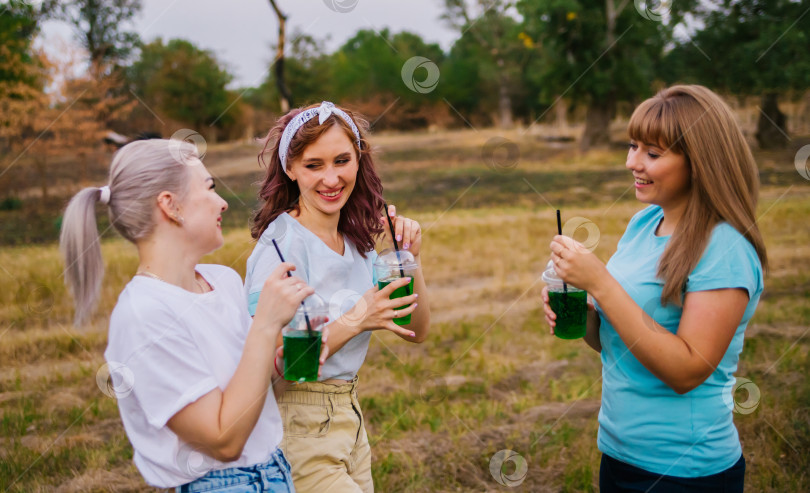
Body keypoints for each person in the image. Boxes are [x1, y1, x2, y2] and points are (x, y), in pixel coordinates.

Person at [60, 139, 328, 492]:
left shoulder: (222, 281)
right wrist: (265, 325)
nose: (223, 202)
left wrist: (284, 364)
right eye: (209, 188)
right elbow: (224, 441)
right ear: (170, 206)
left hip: (275, 472)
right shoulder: (144, 314)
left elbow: (247, 407)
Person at [542, 85, 766, 492]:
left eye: (653, 153)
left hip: (684, 470)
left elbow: (686, 370)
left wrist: (602, 285)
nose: (632, 163)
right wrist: (587, 314)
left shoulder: (725, 247)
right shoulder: (644, 224)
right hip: (619, 454)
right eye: (632, 146)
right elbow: (619, 339)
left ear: (700, 161)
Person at [246, 101, 431, 492]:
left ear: (359, 161)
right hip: (297, 423)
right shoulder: (281, 246)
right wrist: (357, 317)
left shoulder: (357, 240)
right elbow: (274, 361)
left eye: (342, 160)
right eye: (314, 165)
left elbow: (415, 329)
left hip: (349, 416)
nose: (331, 179)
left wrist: (408, 260)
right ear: (290, 169)